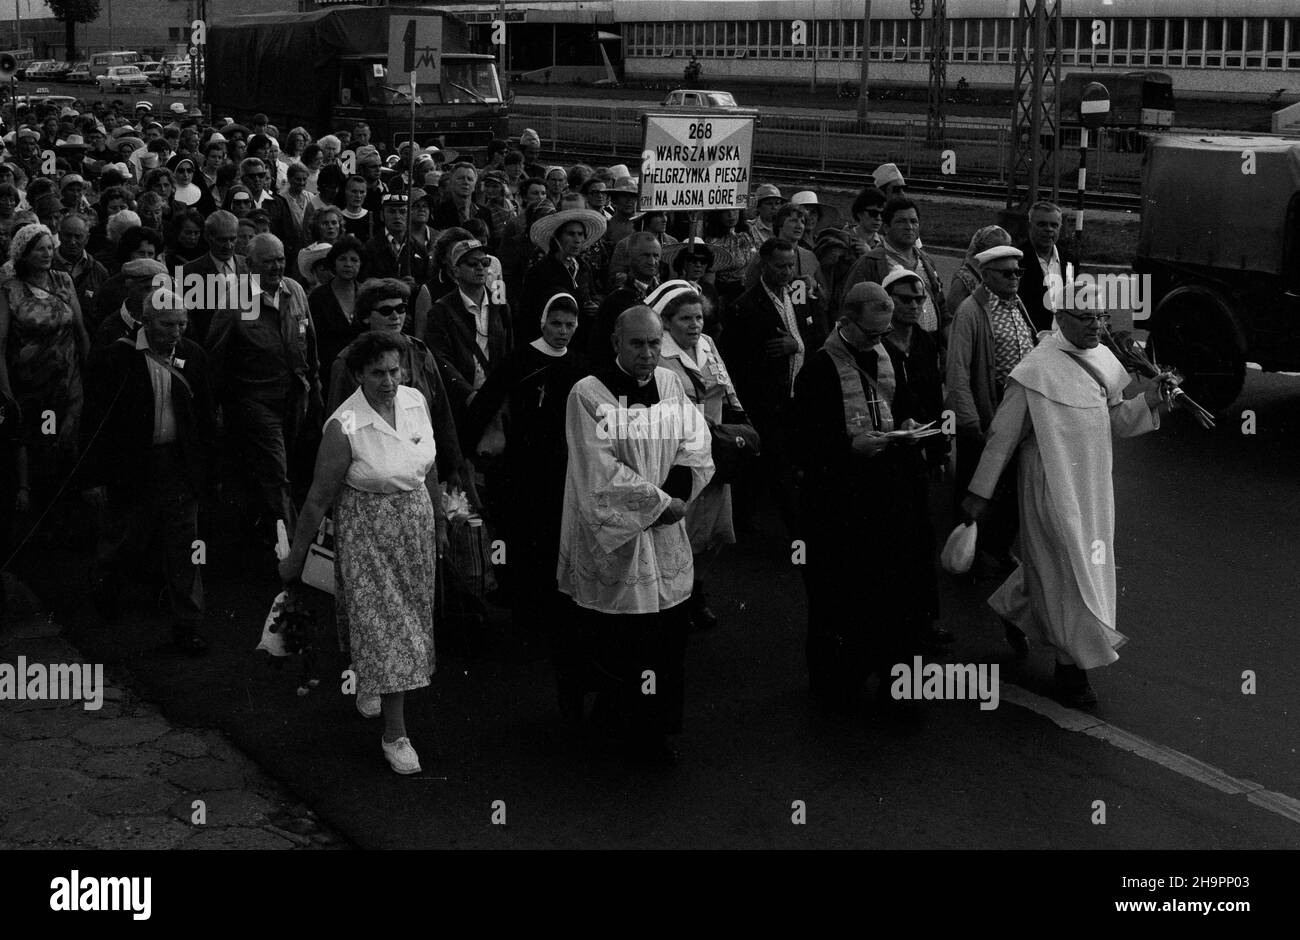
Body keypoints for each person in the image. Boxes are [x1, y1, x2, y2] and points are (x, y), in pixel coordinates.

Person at [961, 302, 1167, 708]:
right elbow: (1002, 436)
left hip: (1092, 488)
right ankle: (1070, 669)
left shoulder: (1103, 361)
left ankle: (1013, 606)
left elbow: (1118, 422)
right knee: (1070, 571)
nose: (1097, 326)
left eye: (1101, 318)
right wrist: (978, 495)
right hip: (1048, 486)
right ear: (1061, 319)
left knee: (1060, 567)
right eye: (1086, 318)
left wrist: (1151, 400)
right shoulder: (1034, 370)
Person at [279, 330, 448, 775]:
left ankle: (371, 677)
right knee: (389, 625)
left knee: (405, 616)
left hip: (415, 526)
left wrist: (439, 520)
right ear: (358, 375)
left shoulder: (415, 402)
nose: (389, 381)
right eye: (377, 373)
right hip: (367, 529)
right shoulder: (344, 424)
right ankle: (396, 735)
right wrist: (295, 560)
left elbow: (427, 467)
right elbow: (318, 497)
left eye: (395, 371)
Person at [556, 306, 713, 763]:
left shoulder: (670, 384)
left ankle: (655, 732)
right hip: (619, 538)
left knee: (665, 637)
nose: (647, 354)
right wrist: (660, 504)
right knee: (622, 637)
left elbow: (695, 440)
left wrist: (678, 495)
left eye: (653, 343)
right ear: (616, 343)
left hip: (664, 530)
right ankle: (612, 729)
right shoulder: (588, 393)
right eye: (636, 344)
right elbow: (598, 470)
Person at [793, 282, 941, 712]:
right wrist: (848, 447)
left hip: (890, 494)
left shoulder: (887, 355)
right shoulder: (820, 369)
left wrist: (910, 422)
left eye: (884, 332)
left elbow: (903, 401)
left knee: (897, 595)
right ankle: (839, 679)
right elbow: (802, 441)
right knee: (844, 595)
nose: (879, 340)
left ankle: (897, 689)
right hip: (841, 501)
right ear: (846, 321)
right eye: (871, 333)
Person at [80, 288, 217, 653]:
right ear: (147, 322)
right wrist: (93, 478)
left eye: (182, 323)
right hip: (130, 466)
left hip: (177, 465)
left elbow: (206, 421)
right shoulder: (116, 358)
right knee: (123, 537)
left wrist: (206, 473)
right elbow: (94, 422)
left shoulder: (194, 356)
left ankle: (187, 625)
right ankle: (105, 588)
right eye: (168, 324)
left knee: (185, 546)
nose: (177, 331)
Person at [461, 292, 586, 632]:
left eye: (570, 325)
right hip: (522, 466)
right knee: (522, 538)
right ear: (543, 322)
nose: (562, 331)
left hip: (562, 466)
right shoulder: (519, 360)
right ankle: (525, 612)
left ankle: (551, 607)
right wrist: (466, 450)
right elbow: (486, 404)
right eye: (556, 323)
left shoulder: (578, 364)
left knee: (556, 539)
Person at [205, 233, 320, 534]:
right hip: (255, 401)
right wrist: (215, 411)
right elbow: (214, 357)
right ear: (250, 265)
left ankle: (265, 533)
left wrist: (315, 389)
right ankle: (294, 549)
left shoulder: (295, 291)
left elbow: (311, 346)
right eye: (268, 261)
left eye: (280, 259)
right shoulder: (234, 301)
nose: (276, 266)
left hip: (295, 397)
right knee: (276, 470)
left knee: (285, 469)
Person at [651, 280, 745, 632]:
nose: (695, 325)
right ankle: (675, 597)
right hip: (679, 454)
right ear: (666, 321)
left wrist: (740, 428)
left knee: (715, 531)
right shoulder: (659, 353)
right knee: (680, 529)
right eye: (685, 319)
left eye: (699, 318)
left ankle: (696, 589)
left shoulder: (707, 345)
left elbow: (729, 390)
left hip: (715, 448)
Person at [946, 245, 1039, 582]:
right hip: (986, 419)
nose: (1015, 278)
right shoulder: (971, 311)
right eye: (1007, 273)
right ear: (985, 277)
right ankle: (962, 554)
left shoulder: (1016, 304)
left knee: (1011, 489)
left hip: (1017, 419)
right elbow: (957, 371)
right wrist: (972, 423)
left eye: (1018, 272)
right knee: (975, 490)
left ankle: (995, 547)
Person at [722, 237, 825, 537]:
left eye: (791, 264)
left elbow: (821, 336)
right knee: (775, 465)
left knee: (789, 463)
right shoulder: (746, 306)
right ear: (764, 266)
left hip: (800, 399)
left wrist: (798, 346)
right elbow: (735, 359)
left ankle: (750, 521)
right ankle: (795, 534)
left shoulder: (802, 296)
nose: (787, 271)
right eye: (780, 266)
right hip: (766, 402)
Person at [326, 279, 463, 490]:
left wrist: (453, 466)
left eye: (401, 309)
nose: (395, 316)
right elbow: (342, 424)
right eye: (386, 310)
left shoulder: (420, 353)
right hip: (373, 472)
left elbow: (441, 413)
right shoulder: (348, 361)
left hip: (419, 464)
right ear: (365, 317)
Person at [0, 224, 90, 532]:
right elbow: (0, 344)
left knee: (67, 445)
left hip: (67, 380)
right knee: (38, 447)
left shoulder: (63, 280)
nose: (48, 254)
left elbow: (79, 330)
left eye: (50, 248)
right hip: (30, 382)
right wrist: (5, 389)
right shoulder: (9, 290)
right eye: (40, 249)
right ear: (24, 253)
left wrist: (88, 371)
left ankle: (67, 522)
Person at [519, 206, 605, 345]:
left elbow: (593, 293)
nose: (577, 240)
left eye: (580, 234)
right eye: (571, 234)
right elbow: (527, 312)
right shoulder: (541, 271)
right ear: (557, 237)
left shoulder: (583, 267)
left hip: (581, 340)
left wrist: (595, 305)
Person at [590, 231, 661, 361]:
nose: (652, 261)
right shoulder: (616, 300)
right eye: (645, 255)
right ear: (629, 257)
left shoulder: (663, 292)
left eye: (656, 256)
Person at [181, 210, 248, 344]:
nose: (229, 246)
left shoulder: (250, 266)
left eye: (233, 239)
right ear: (207, 236)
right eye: (222, 240)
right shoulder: (189, 272)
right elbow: (189, 321)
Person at [308, 236, 365, 378]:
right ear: (333, 262)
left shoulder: (366, 294)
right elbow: (311, 339)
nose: (348, 264)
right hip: (328, 372)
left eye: (354, 260)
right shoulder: (318, 297)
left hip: (362, 371)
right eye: (342, 259)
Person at [1016, 200, 1077, 333]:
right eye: (1042, 224)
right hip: (1030, 337)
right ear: (1030, 226)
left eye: (1054, 225)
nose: (1048, 229)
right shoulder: (1017, 260)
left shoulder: (1070, 260)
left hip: (1064, 338)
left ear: (1060, 228)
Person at [947, 225, 1012, 316]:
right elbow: (953, 310)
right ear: (983, 250)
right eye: (996, 251)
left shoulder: (1006, 273)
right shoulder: (966, 278)